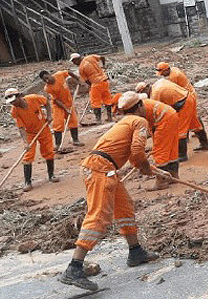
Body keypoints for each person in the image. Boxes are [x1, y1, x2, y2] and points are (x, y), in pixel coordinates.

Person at [59, 93, 159, 291]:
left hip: (104, 168)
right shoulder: (139, 121)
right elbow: (138, 155)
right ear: (139, 106)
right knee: (99, 215)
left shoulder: (126, 122)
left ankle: (135, 251)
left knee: (124, 208)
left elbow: (133, 158)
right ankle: (74, 268)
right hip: (100, 168)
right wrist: (147, 168)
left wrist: (156, 170)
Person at [135, 80, 208, 162]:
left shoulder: (155, 95)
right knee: (195, 124)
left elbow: (159, 114)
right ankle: (204, 144)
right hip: (188, 97)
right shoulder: (157, 84)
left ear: (145, 90)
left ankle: (182, 155)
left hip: (183, 103)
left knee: (180, 131)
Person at [5, 88, 57, 191]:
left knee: (48, 151)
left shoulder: (34, 98)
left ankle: (51, 175)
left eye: (14, 101)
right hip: (29, 134)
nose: (13, 104)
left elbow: (46, 102)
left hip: (43, 129)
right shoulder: (14, 111)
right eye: (11, 102)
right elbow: (21, 128)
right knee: (28, 156)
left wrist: (49, 115)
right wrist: (25, 143)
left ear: (19, 96)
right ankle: (28, 182)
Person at [129, 91, 180, 191]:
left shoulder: (141, 109)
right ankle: (173, 176)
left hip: (164, 120)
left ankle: (161, 181)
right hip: (171, 115)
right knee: (171, 149)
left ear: (138, 107)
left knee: (159, 152)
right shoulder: (142, 105)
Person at [39, 70, 85, 149]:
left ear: (49, 74)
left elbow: (69, 72)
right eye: (44, 80)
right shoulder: (47, 88)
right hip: (58, 106)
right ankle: (58, 144)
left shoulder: (59, 74)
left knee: (73, 121)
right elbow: (56, 100)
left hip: (68, 102)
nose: (47, 81)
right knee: (58, 123)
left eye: (47, 78)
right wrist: (65, 108)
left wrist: (78, 79)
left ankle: (75, 140)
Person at [70, 53, 113, 123]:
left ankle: (98, 120)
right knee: (107, 99)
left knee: (95, 102)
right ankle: (110, 117)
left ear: (77, 59)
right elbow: (102, 57)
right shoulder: (91, 57)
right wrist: (103, 66)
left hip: (96, 83)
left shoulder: (81, 68)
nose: (74, 63)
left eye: (74, 61)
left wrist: (90, 86)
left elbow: (87, 81)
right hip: (104, 81)